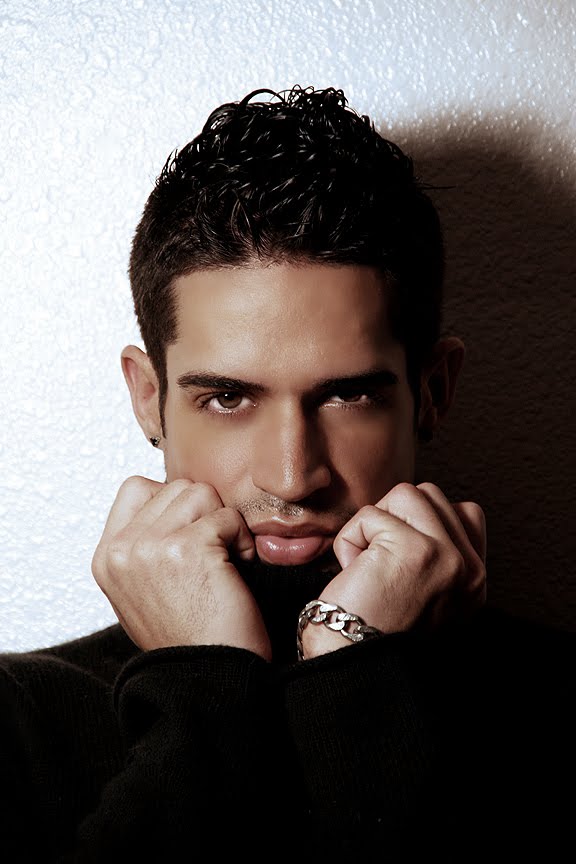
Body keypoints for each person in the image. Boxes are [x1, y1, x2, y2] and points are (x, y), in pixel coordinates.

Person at [1, 86, 573, 861]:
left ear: (433, 391)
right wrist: (205, 690)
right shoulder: (17, 721)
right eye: (227, 397)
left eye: (347, 395)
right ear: (148, 398)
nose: (293, 476)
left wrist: (360, 680)